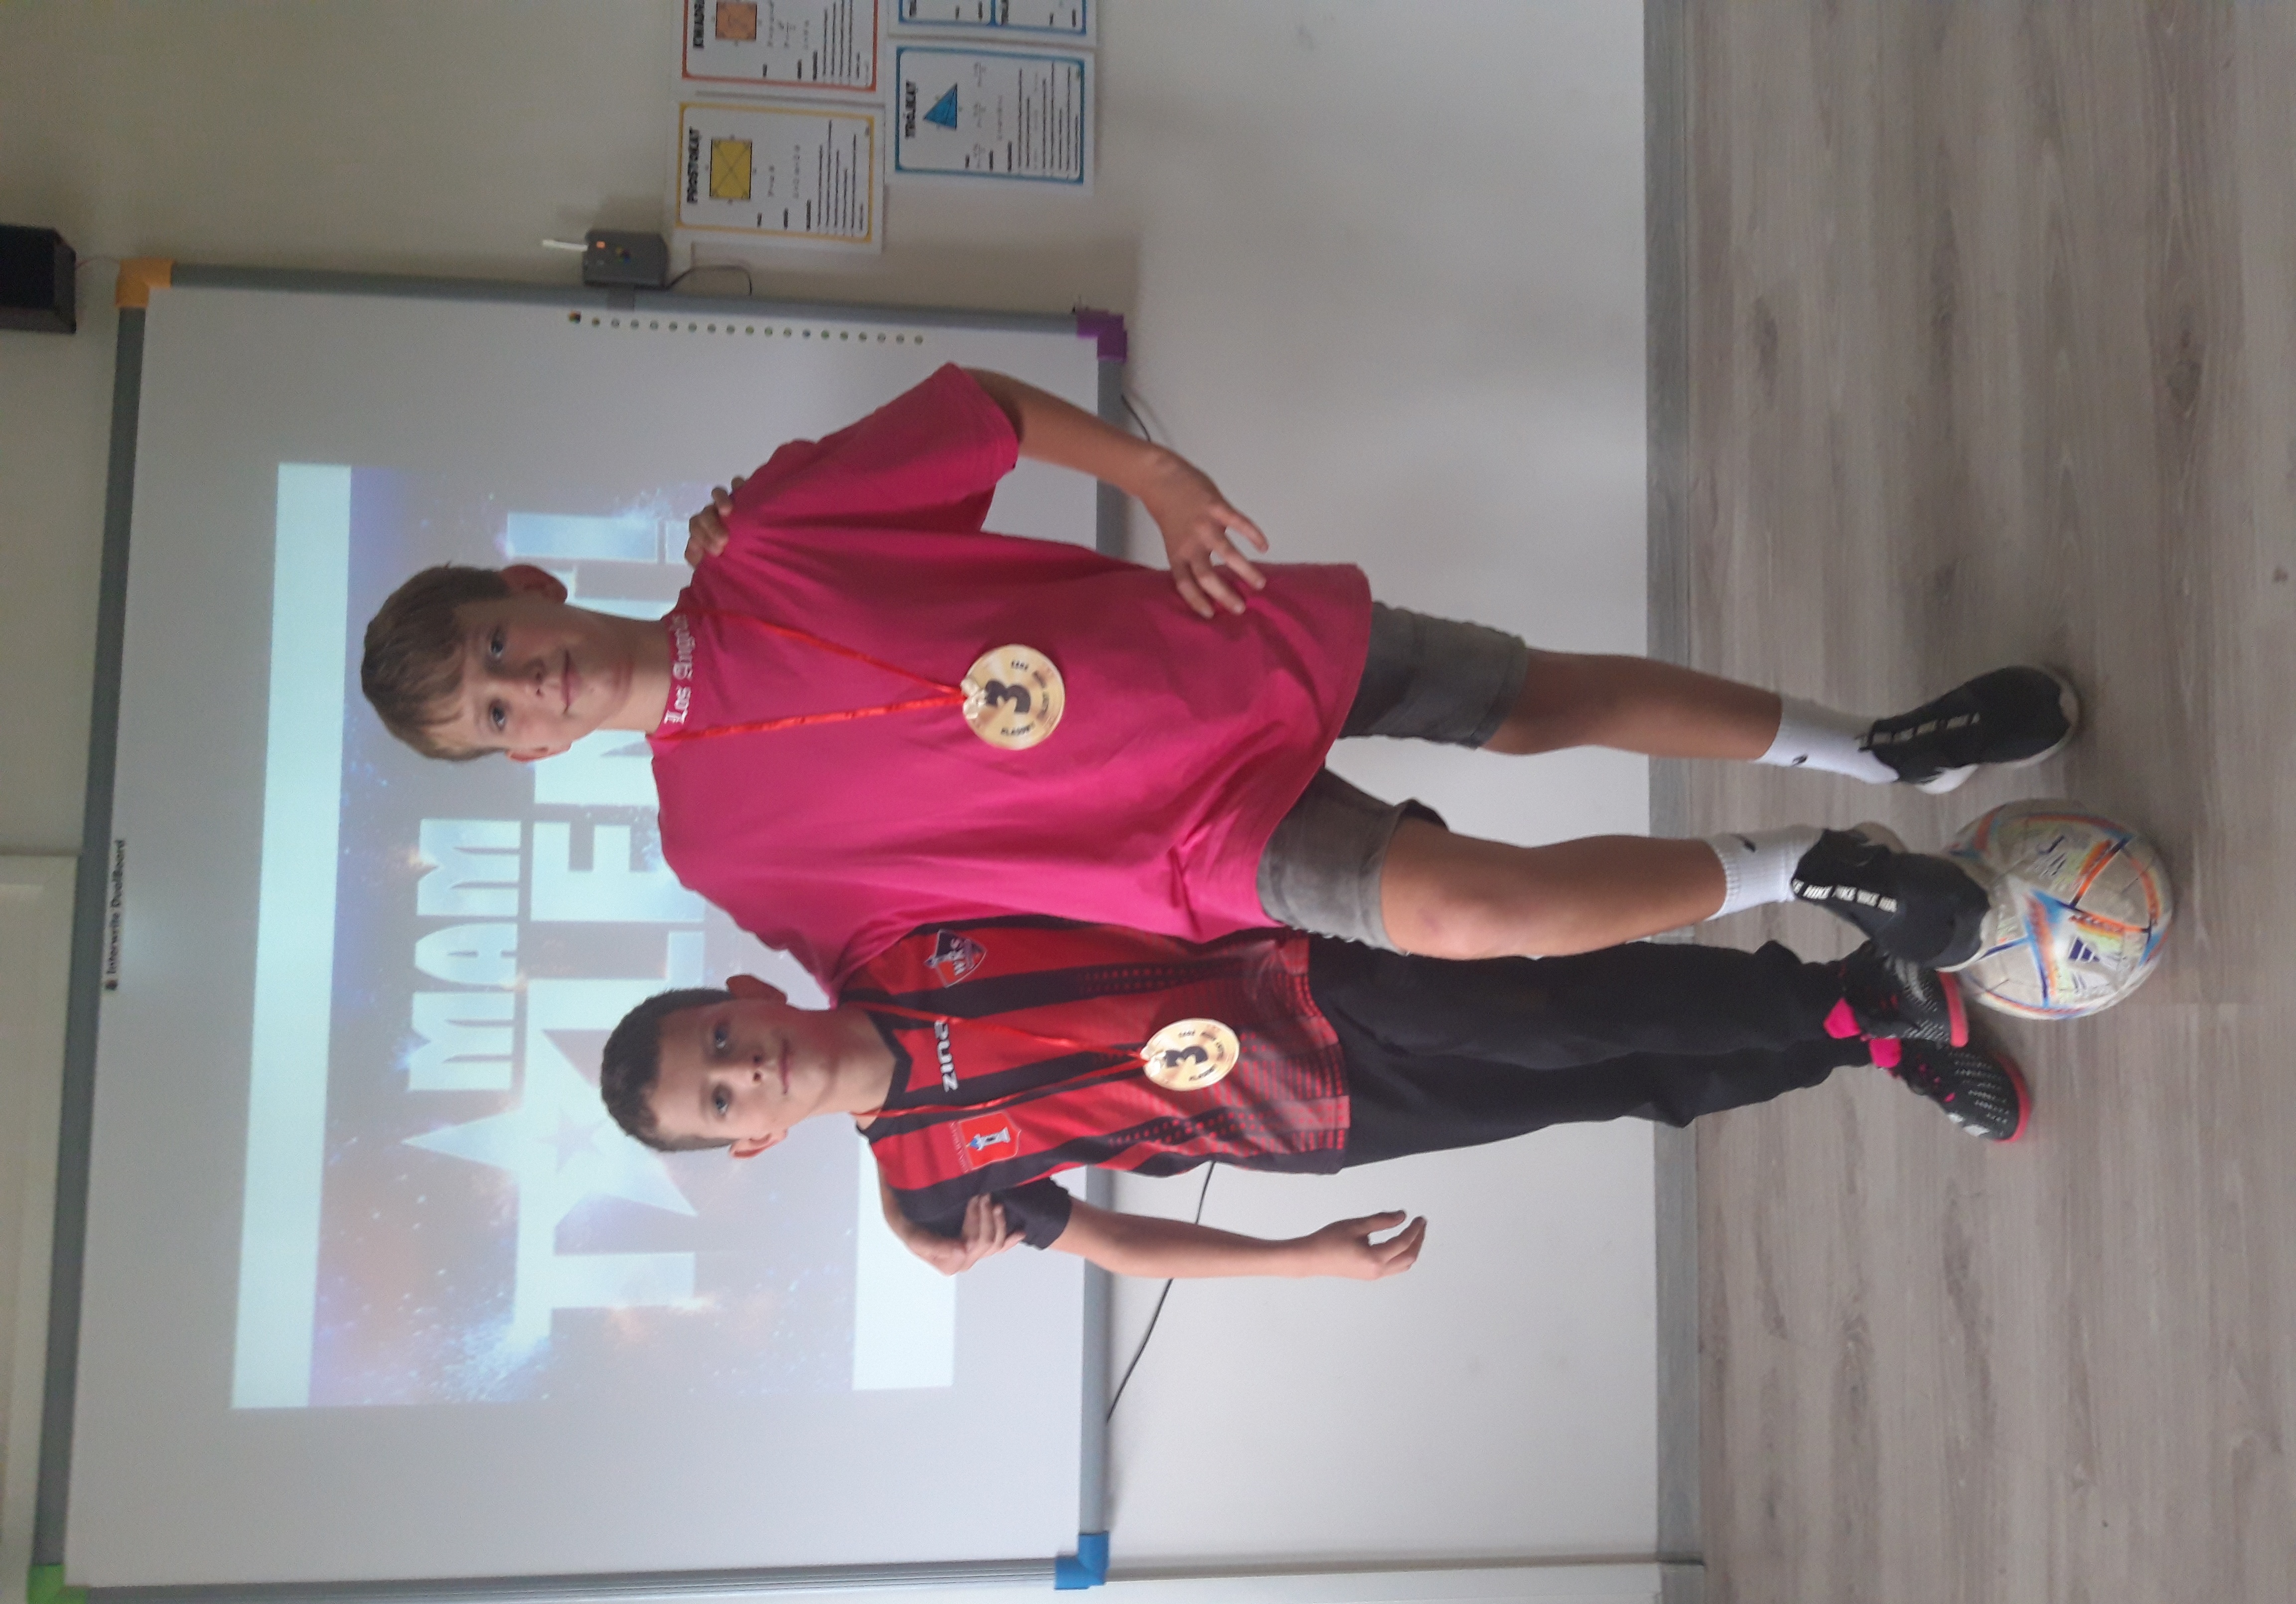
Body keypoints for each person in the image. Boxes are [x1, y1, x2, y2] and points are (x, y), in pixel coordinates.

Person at [359, 365, 2077, 990]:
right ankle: (1811, 867)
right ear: (525, 760)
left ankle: (1887, 753)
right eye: (498, 714)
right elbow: (905, 972)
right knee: (1472, 913)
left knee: (1538, 700)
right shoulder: (715, 852)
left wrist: (1160, 481)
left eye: (503, 648)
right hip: (1185, 849)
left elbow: (981, 415)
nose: (532, 686)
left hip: (1211, 645)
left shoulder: (767, 538)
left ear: (532, 587)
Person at [596, 915, 2029, 1283]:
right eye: (721, 1101)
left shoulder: (893, 934)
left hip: (1300, 976)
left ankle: (1850, 991)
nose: (744, 1070)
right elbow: (1113, 1241)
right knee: (1613, 1086)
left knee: (1561, 1010)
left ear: (751, 988)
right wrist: (1301, 1260)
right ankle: (1863, 1041)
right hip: (1309, 1122)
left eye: (723, 1038)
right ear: (753, 1141)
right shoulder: (929, 1194)